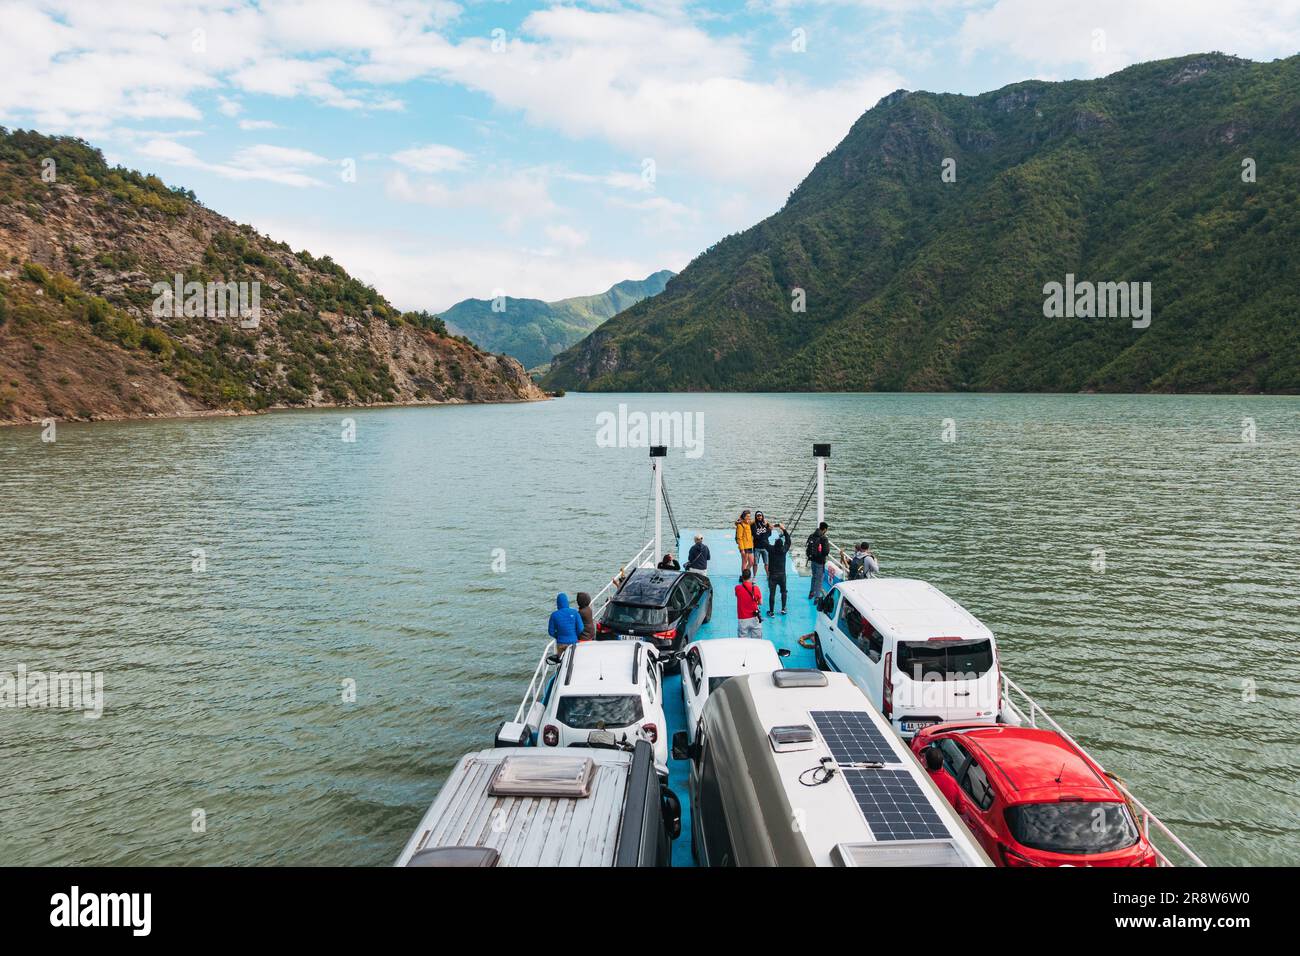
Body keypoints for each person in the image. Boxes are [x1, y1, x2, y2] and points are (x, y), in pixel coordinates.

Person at [766, 522, 791, 616]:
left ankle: (771, 611)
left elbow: (764, 541)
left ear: (775, 544)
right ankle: (783, 609)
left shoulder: (771, 549)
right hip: (782, 575)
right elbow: (788, 541)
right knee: (783, 591)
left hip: (772, 575)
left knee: (772, 593)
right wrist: (783, 529)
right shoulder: (784, 550)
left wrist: (769, 529)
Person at [806, 521, 831, 602]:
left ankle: (811, 592)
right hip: (820, 561)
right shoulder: (824, 538)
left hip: (812, 559)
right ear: (825, 529)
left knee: (814, 576)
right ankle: (817, 597)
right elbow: (826, 551)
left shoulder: (812, 535)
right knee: (819, 579)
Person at [735, 569, 762, 639]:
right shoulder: (756, 588)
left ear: (742, 577)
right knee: (757, 641)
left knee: (743, 642)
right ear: (750, 577)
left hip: (743, 619)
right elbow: (760, 603)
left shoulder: (737, 588)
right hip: (754, 617)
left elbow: (737, 595)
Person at [734, 510, 754, 577]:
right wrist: (742, 549)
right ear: (744, 517)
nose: (749, 517)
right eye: (747, 516)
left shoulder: (748, 523)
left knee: (751, 562)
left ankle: (745, 575)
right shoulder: (740, 525)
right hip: (744, 547)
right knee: (744, 562)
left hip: (750, 545)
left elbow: (755, 521)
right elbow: (739, 538)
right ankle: (744, 577)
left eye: (749, 516)